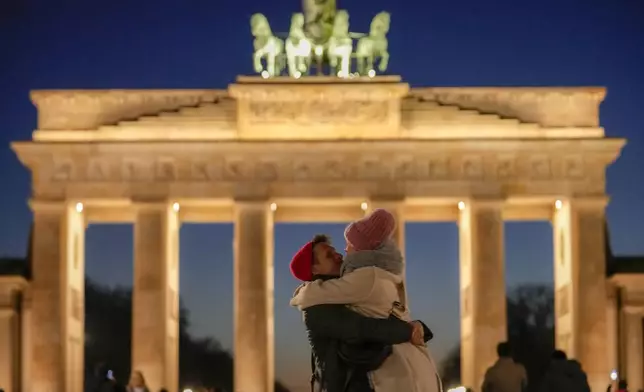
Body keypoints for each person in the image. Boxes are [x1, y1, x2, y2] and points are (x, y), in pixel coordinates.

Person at [290, 209, 442, 392]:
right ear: (313, 270)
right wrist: (409, 330)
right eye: (329, 256)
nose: (340, 255)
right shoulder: (317, 307)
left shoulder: (352, 287)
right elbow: (360, 328)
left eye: (336, 250)